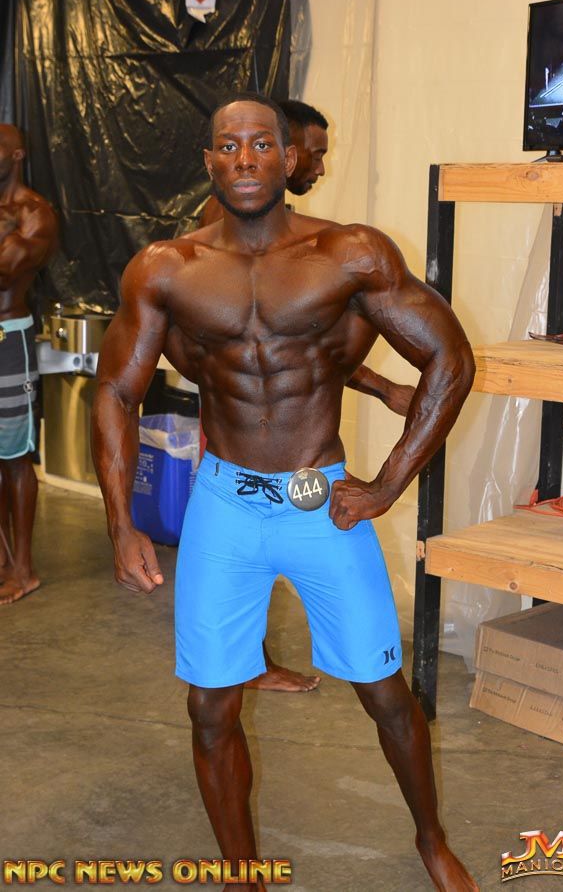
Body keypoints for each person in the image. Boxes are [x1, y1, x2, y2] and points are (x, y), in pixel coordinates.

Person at [92, 93, 477, 891]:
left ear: (288, 156)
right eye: (228, 145)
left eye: (261, 144)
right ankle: (242, 873)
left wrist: (388, 483)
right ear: (209, 160)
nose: (245, 158)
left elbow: (450, 357)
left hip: (320, 501)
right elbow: (116, 391)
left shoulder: (349, 254)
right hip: (223, 504)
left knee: (385, 693)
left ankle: (431, 838)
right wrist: (120, 523)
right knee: (209, 708)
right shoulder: (167, 267)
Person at [163, 98, 415, 693]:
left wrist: (380, 398)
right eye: (314, 153)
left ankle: (252, 662)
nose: (318, 167)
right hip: (232, 476)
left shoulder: (328, 246)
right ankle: (249, 664)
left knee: (382, 687)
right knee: (212, 691)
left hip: (312, 489)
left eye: (262, 146)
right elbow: (260, 352)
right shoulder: (216, 234)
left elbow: (296, 350)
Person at [0, 124, 58, 605]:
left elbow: (4, 269)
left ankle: (24, 567)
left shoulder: (36, 212)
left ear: (17, 154)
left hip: (8, 340)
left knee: (15, 456)